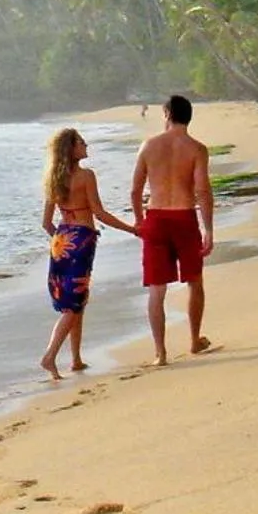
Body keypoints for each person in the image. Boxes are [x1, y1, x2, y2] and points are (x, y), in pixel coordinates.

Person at [40, 127, 137, 383]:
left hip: (61, 241)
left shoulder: (53, 178)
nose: (86, 146)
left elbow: (46, 223)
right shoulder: (86, 176)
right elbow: (100, 214)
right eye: (82, 143)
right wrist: (132, 229)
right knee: (74, 304)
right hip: (82, 240)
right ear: (71, 149)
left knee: (76, 300)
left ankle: (76, 359)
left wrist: (63, 242)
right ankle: (50, 356)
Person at [130, 94, 214, 365]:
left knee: (157, 289)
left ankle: (160, 353)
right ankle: (194, 340)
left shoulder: (148, 146)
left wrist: (139, 220)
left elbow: (135, 190)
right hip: (184, 217)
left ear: (167, 113)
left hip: (156, 218)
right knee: (194, 281)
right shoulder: (197, 149)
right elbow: (202, 190)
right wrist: (209, 229)